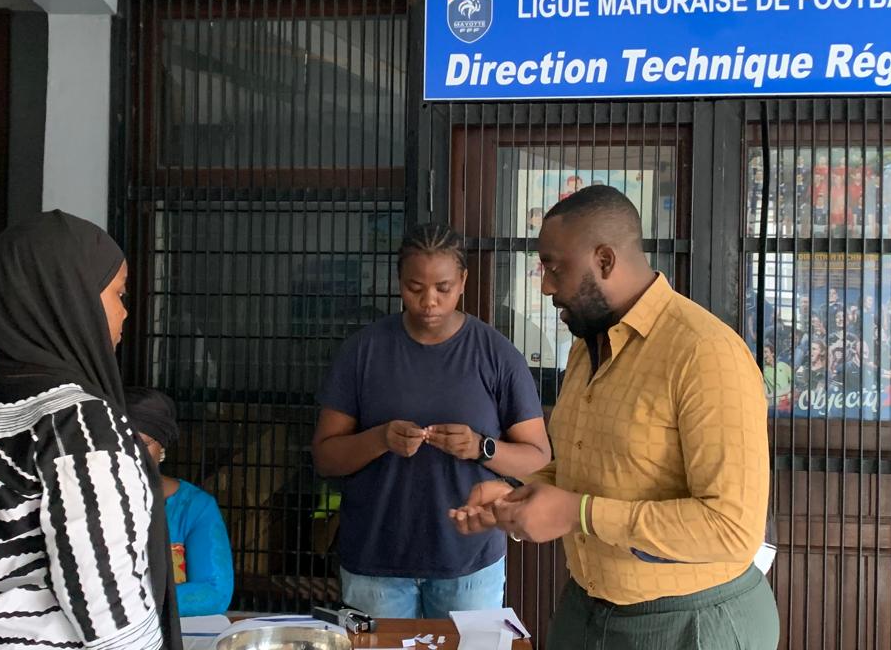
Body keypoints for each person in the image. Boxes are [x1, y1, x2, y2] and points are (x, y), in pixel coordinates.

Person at [450, 186, 777, 649]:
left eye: (554, 268)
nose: (545, 286)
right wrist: (517, 498)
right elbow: (590, 467)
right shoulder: (588, 346)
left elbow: (731, 529)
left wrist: (576, 512)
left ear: (604, 260)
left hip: (691, 622)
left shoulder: (704, 353)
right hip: (588, 610)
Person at [0, 211, 180, 649]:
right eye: (118, 294)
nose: (125, 312)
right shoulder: (80, 426)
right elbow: (108, 609)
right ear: (69, 299)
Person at [313, 223, 551, 619]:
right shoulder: (363, 351)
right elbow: (324, 457)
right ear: (398, 282)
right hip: (376, 562)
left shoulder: (496, 353)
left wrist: (481, 447)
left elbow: (539, 460)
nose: (428, 302)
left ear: (463, 281)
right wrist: (378, 439)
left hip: (469, 565)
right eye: (414, 287)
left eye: (442, 288)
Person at [126, 386, 235, 617]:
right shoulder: (86, 501)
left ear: (162, 446)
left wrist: (125, 605)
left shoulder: (195, 508)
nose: (131, 454)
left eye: (143, 444)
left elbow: (214, 594)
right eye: (120, 443)